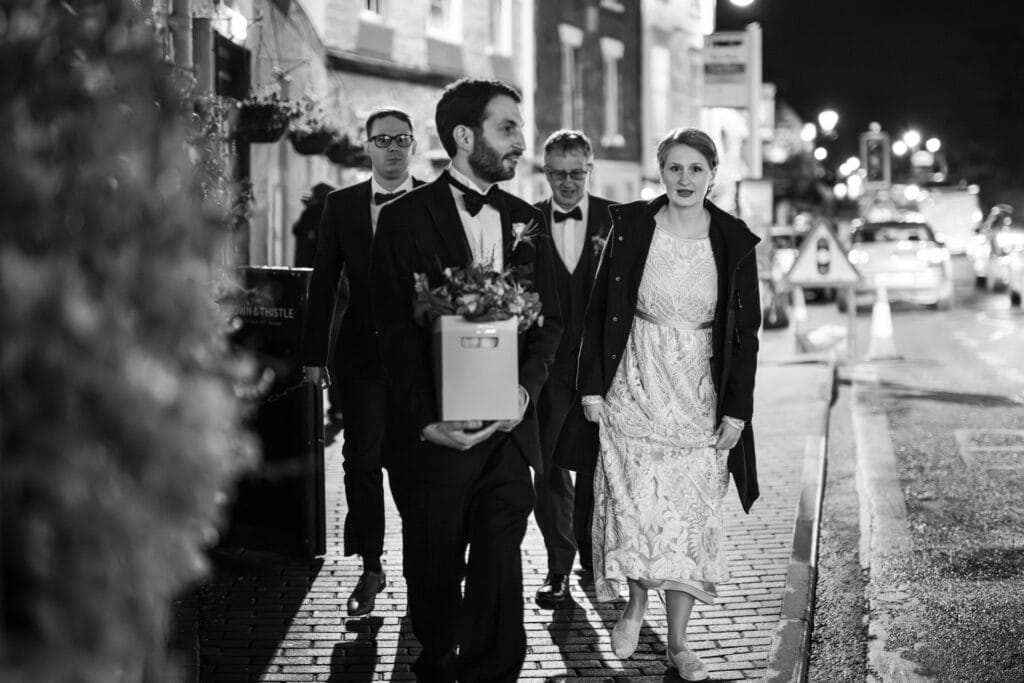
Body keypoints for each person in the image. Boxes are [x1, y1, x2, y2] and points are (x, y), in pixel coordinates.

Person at [370, 78, 563, 682]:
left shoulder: (528, 220)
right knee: (434, 564)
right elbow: (391, 333)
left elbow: (550, 322)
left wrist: (523, 393)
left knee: (502, 555)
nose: (521, 143)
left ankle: (495, 667)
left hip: (507, 432)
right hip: (435, 437)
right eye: (508, 129)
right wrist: (428, 419)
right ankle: (439, 655)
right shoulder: (403, 220)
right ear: (463, 135)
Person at [577, 128, 761, 681]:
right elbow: (598, 307)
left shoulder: (733, 238)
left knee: (689, 514)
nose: (685, 179)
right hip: (634, 379)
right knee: (634, 504)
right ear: (661, 171)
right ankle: (636, 603)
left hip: (699, 392)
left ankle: (680, 644)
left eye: (695, 169)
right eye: (675, 168)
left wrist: (737, 410)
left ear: (712, 174)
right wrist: (591, 386)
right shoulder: (630, 226)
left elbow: (745, 333)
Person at [300, 107, 425, 618]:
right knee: (362, 460)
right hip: (361, 358)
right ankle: (371, 565)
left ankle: (427, 564)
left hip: (422, 361)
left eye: (402, 138)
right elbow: (325, 280)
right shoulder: (342, 205)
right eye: (383, 139)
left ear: (413, 145)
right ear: (367, 146)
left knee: (420, 465)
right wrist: (313, 355)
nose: (393, 147)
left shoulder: (437, 203)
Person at [531, 129, 613, 605]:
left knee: (598, 468)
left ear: (589, 168)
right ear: (545, 172)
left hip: (603, 370)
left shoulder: (616, 221)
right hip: (547, 369)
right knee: (549, 470)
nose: (567, 182)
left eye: (575, 173)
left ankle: (592, 555)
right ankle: (557, 569)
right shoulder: (527, 222)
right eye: (557, 173)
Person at [292, 182, 335, 267]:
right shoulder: (327, 212)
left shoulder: (314, 213)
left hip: (310, 262)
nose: (311, 197)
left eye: (314, 195)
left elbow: (299, 229)